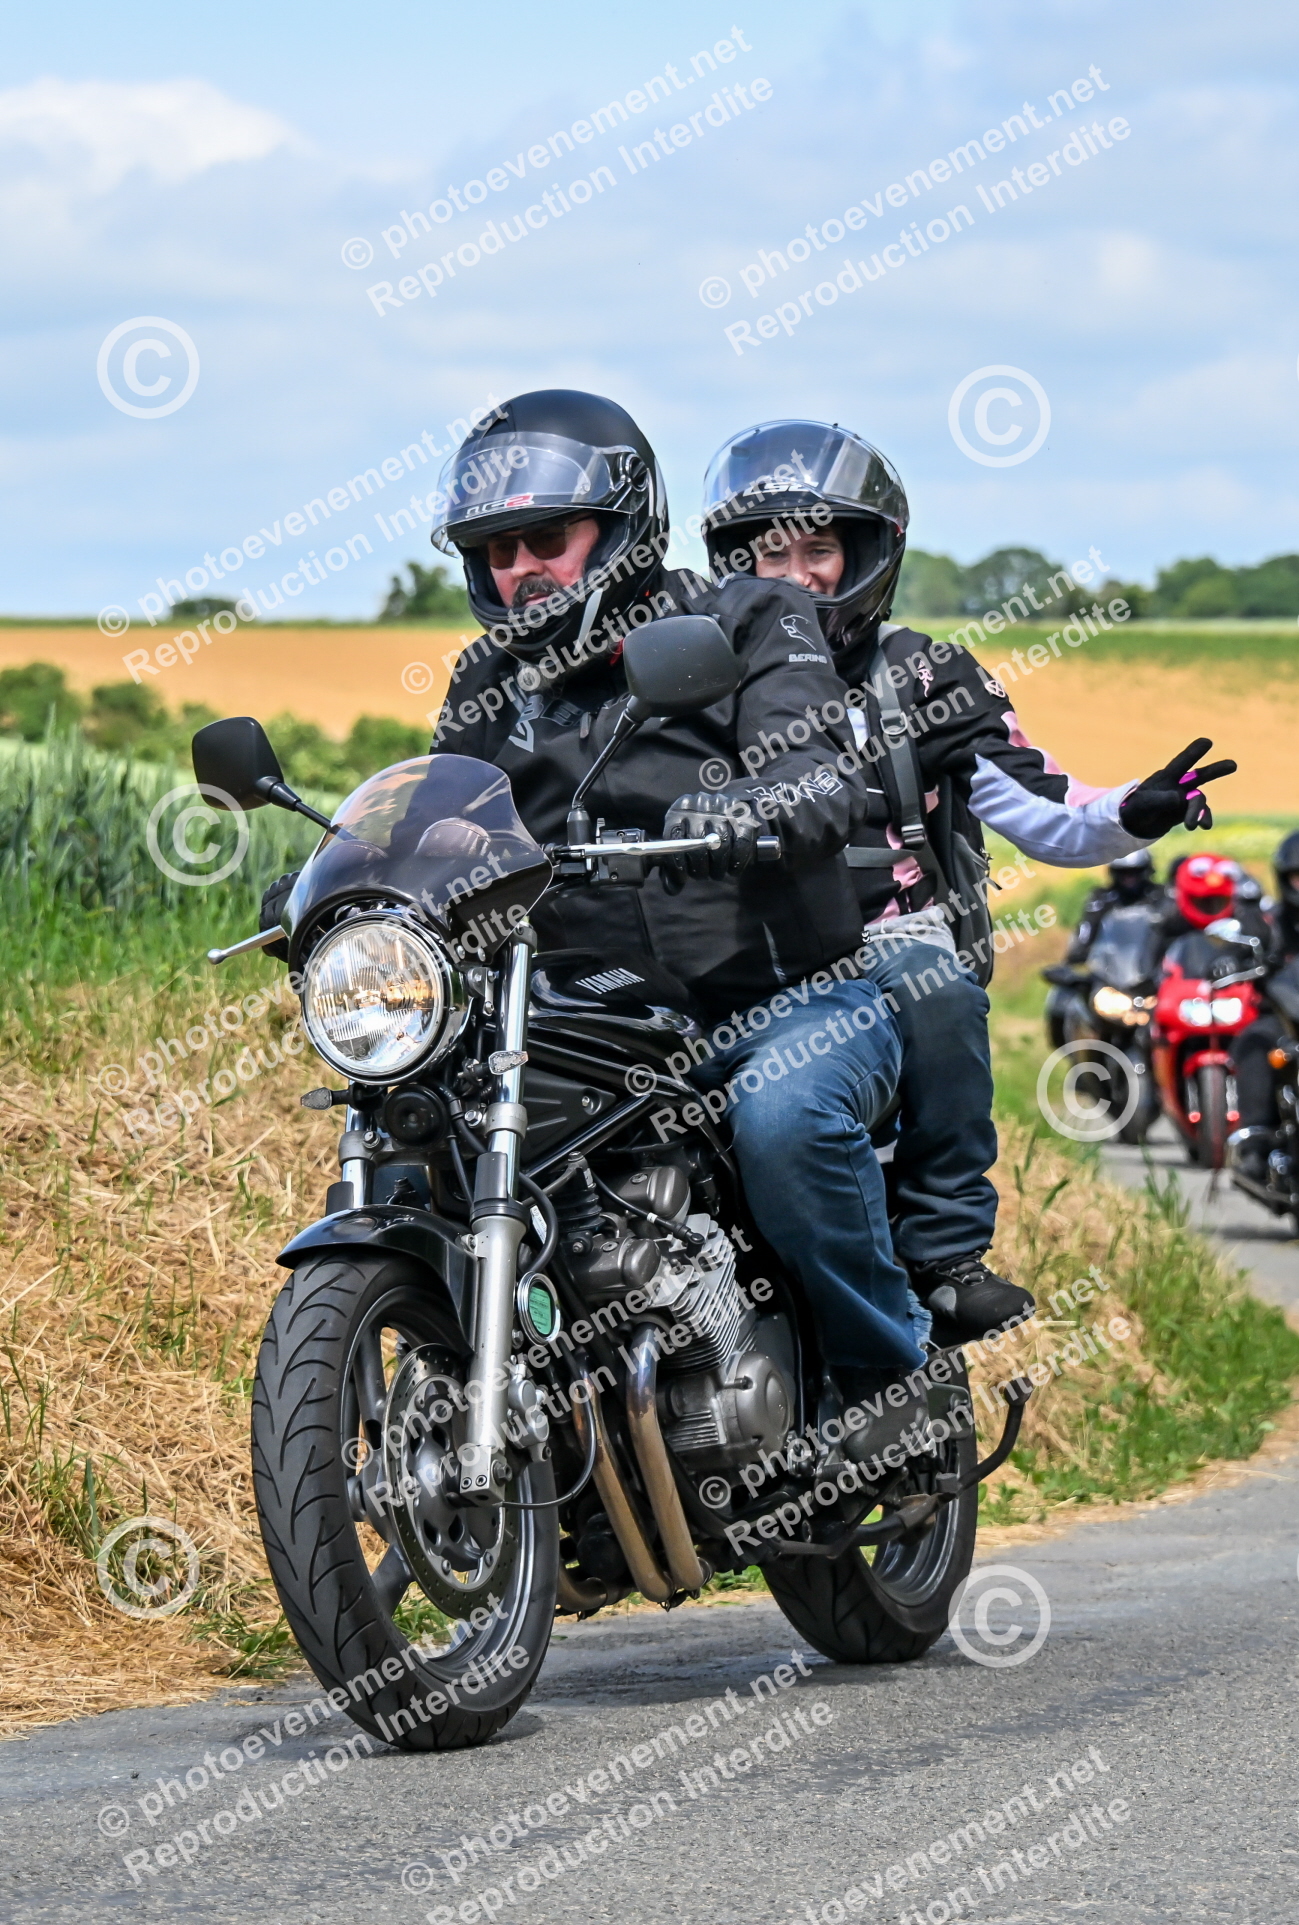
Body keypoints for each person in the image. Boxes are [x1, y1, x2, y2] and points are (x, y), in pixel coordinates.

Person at [416, 388, 933, 1398]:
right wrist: (359, 871)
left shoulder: (751, 618)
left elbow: (822, 771)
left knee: (784, 1120)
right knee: (425, 1124)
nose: (521, 568)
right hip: (579, 1019)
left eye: (546, 539)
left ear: (620, 528)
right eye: (498, 550)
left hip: (778, 1001)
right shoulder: (487, 680)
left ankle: (883, 1383)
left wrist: (754, 804)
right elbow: (442, 814)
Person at [699, 417, 1237, 1341]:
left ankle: (944, 1249)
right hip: (738, 954)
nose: (794, 576)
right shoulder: (689, 678)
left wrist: (1133, 809)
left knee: (930, 975)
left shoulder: (922, 677)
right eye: (769, 553)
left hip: (885, 943)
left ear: (868, 554)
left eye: (818, 550)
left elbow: (1046, 808)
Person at [1231, 831, 1299, 1183]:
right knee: (1253, 1042)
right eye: (1298, 877)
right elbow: (1240, 947)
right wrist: (1230, 962)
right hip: (1283, 1021)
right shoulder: (1270, 922)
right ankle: (1256, 1141)